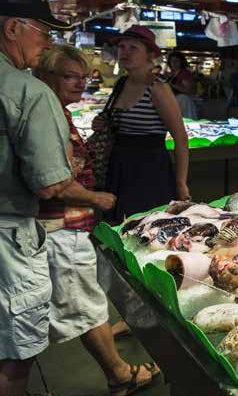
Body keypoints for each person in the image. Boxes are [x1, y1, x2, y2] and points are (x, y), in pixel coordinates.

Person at [34, 46, 160, 395]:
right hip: (62, 224)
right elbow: (50, 182)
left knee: (83, 298)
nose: (79, 84)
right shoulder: (47, 115)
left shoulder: (58, 112)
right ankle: (120, 375)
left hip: (68, 224)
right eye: (70, 76)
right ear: (45, 76)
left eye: (83, 77)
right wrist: (94, 198)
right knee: (85, 303)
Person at [0, 0, 76, 396]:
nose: (48, 43)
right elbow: (49, 183)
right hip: (8, 240)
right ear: (13, 27)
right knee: (13, 354)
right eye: (43, 32)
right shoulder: (28, 91)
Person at [94, 25, 190, 223]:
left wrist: (181, 183)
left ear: (149, 55)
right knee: (118, 225)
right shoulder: (121, 84)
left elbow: (181, 138)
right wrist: (102, 122)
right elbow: (113, 121)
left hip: (150, 169)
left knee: (146, 225)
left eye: (133, 48)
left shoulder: (158, 89)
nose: (124, 52)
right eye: (121, 47)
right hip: (118, 167)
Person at [167, 51, 197, 119]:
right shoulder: (172, 73)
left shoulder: (184, 73)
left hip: (183, 101)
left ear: (181, 62)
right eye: (172, 61)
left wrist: (171, 85)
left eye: (176, 61)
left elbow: (188, 90)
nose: (173, 63)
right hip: (174, 101)